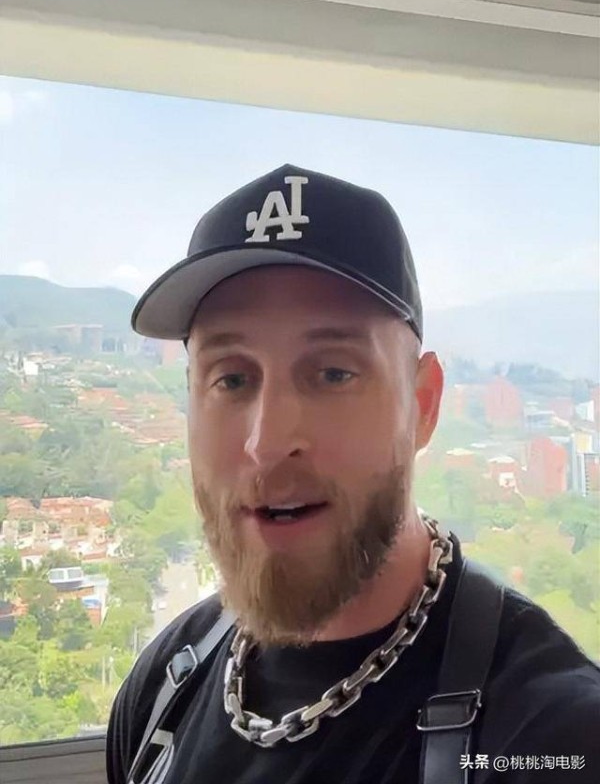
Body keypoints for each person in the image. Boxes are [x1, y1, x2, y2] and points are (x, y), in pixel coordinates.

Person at [107, 164, 599, 784]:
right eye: (231, 378)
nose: (267, 443)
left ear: (422, 405)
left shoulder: (552, 737)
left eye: (333, 373)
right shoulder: (163, 689)